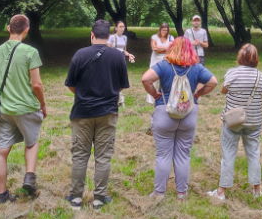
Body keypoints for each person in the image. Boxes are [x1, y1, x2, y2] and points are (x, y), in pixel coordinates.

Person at [64, 20, 130, 210]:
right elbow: (121, 86)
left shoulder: (80, 54)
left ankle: (76, 198)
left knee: (80, 156)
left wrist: (83, 96)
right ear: (109, 37)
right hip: (108, 113)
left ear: (91, 35)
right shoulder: (118, 57)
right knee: (103, 157)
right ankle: (99, 198)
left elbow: (71, 84)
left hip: (82, 113)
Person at [141, 37, 218, 201]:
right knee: (183, 155)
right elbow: (213, 82)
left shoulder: (163, 65)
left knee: (163, 155)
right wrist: (198, 94)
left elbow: (146, 79)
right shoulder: (197, 68)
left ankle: (159, 194)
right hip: (189, 114)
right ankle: (181, 194)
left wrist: (155, 94)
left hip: (164, 113)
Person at [0, 14, 46, 203]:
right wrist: (43, 105)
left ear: (8, 28)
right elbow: (36, 85)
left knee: (2, 151)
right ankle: (29, 176)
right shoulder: (30, 52)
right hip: (26, 108)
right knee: (32, 142)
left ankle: (2, 195)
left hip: (3, 110)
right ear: (27, 30)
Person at [207, 44, 262, 201]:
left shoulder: (232, 73)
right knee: (254, 153)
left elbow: (223, 90)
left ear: (240, 57)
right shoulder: (260, 76)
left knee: (228, 154)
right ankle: (257, 191)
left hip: (233, 121)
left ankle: (221, 191)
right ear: (256, 58)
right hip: (254, 120)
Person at [108, 21, 134, 106]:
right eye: (120, 27)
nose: (122, 28)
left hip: (121, 59)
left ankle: (119, 99)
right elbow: (107, 49)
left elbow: (124, 50)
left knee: (120, 79)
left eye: (123, 27)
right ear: (116, 28)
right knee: (113, 79)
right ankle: (114, 98)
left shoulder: (124, 38)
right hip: (112, 59)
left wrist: (129, 55)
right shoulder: (111, 37)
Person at [148, 23, 175, 104]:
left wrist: (160, 49)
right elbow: (154, 48)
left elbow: (171, 49)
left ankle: (164, 96)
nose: (165, 32)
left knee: (165, 78)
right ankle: (150, 99)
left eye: (166, 30)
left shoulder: (171, 37)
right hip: (155, 59)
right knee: (152, 78)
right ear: (160, 30)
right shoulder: (154, 37)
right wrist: (165, 48)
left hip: (166, 59)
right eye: (163, 30)